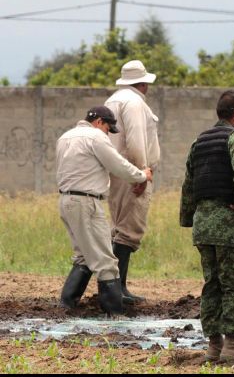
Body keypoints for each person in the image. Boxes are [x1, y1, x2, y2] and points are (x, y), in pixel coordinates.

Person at [179, 90, 234, 363]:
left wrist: (189, 218)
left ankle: (215, 346)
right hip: (229, 223)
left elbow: (188, 185)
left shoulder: (198, 141)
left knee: (212, 285)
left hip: (204, 226)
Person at [57, 106, 152, 316]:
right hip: (87, 203)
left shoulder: (65, 137)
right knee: (106, 261)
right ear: (99, 121)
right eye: (109, 128)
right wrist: (141, 175)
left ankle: (66, 306)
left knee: (83, 255)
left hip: (66, 200)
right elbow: (117, 164)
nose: (108, 133)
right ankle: (114, 314)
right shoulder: (96, 137)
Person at [104, 59, 161, 305]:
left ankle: (114, 285)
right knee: (128, 231)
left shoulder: (113, 100)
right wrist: (141, 173)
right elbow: (136, 140)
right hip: (132, 173)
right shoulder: (135, 103)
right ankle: (118, 287)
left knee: (118, 227)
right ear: (143, 83)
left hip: (116, 171)